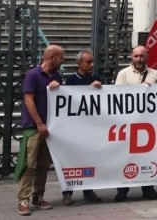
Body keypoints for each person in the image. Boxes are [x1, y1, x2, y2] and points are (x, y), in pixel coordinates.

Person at [16, 45, 64, 216]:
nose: (62, 60)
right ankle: (23, 199)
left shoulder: (57, 76)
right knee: (29, 165)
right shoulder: (33, 75)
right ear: (51, 58)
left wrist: (58, 84)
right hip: (35, 127)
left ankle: (38, 195)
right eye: (60, 57)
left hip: (50, 128)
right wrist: (39, 123)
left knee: (43, 165)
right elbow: (29, 100)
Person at [114, 45, 157, 202]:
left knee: (148, 156)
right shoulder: (123, 74)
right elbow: (117, 97)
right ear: (131, 57)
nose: (139, 59)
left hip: (149, 125)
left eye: (141, 56)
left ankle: (148, 188)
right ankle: (122, 190)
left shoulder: (155, 74)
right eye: (136, 56)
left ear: (146, 57)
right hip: (128, 124)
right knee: (125, 157)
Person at [61, 50, 103, 206]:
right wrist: (88, 90)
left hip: (92, 128)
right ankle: (67, 193)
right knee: (71, 161)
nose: (91, 65)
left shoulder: (96, 78)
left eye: (92, 62)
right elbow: (68, 99)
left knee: (90, 159)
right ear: (79, 63)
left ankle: (88, 190)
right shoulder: (71, 80)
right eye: (88, 62)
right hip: (75, 128)